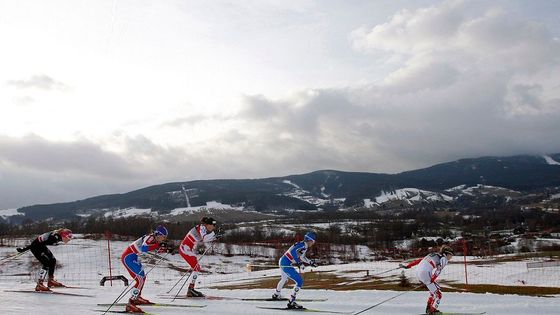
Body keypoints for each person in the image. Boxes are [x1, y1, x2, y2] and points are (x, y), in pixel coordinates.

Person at [121, 225, 170, 313]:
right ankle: (131, 303)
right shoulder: (150, 237)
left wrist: (166, 249)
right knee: (139, 280)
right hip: (128, 258)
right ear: (158, 234)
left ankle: (137, 297)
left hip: (133, 257)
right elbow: (144, 248)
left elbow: (154, 249)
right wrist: (159, 245)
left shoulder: (154, 239)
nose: (164, 239)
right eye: (164, 237)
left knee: (142, 278)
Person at [400, 245, 455, 315]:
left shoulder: (433, 254)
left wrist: (408, 266)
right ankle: (432, 311)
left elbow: (420, 260)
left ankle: (429, 308)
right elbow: (438, 270)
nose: (451, 257)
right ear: (446, 254)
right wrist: (432, 279)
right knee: (438, 294)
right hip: (425, 273)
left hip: (418, 272)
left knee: (433, 292)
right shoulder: (444, 259)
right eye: (451, 255)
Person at [272, 231, 318, 309]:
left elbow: (302, 257)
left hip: (283, 261)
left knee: (284, 279)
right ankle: (291, 302)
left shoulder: (304, 246)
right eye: (313, 241)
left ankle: (276, 294)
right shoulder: (302, 245)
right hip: (285, 264)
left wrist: (310, 262)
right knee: (300, 281)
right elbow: (292, 252)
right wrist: (299, 263)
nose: (313, 243)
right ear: (309, 240)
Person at [179, 217, 218, 297]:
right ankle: (190, 290)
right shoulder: (202, 228)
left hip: (187, 249)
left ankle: (191, 289)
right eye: (213, 225)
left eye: (214, 225)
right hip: (185, 249)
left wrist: (215, 236)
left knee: (196, 267)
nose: (214, 227)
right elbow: (205, 239)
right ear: (208, 224)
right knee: (197, 267)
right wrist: (215, 234)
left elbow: (206, 239)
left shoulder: (202, 227)